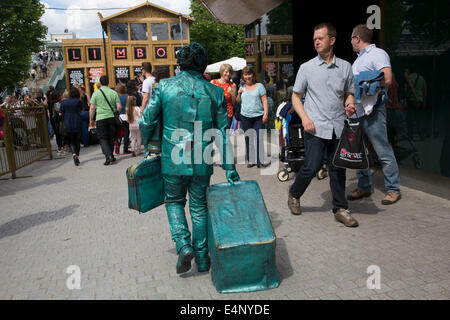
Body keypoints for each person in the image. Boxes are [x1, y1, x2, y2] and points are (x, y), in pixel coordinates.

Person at [139, 42, 240, 274]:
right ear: (203, 64)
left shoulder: (164, 87)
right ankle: (203, 258)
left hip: (172, 158)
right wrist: (229, 166)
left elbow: (146, 121)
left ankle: (184, 245)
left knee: (174, 202)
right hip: (201, 158)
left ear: (180, 63)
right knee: (199, 206)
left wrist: (151, 145)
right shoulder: (215, 92)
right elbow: (222, 132)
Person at [287, 23, 358, 227]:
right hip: (315, 127)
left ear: (332, 40)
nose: (316, 41)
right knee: (311, 166)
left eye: (320, 38)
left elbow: (348, 93)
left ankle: (340, 208)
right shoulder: (307, 68)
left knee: (338, 169)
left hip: (338, 125)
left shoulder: (345, 67)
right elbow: (295, 97)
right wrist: (305, 119)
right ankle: (294, 193)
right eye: (315, 39)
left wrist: (350, 104)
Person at [348, 24, 401, 205]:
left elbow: (387, 78)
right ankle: (364, 186)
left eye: (351, 39)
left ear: (357, 38)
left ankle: (393, 189)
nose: (351, 43)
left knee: (382, 150)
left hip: (373, 111)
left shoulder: (378, 54)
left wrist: (365, 85)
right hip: (358, 112)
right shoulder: (359, 60)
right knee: (359, 152)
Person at [236, 66, 269, 168]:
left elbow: (264, 100)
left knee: (259, 138)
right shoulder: (242, 87)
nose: (248, 76)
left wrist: (266, 113)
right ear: (243, 76)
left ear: (253, 75)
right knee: (248, 138)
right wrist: (238, 94)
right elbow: (238, 101)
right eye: (246, 74)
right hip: (245, 117)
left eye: (249, 74)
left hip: (258, 116)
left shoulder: (259, 86)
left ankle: (260, 161)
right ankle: (251, 160)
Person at [89, 75, 122, 165]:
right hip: (111, 117)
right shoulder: (113, 92)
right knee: (111, 137)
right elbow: (119, 106)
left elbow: (92, 108)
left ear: (100, 82)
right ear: (108, 82)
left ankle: (108, 156)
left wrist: (91, 120)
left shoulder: (96, 93)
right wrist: (116, 112)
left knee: (103, 138)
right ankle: (110, 155)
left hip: (100, 118)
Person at [211, 64, 237, 128]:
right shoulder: (213, 82)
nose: (228, 74)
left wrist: (232, 93)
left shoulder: (232, 85)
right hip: (215, 113)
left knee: (225, 135)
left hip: (227, 114)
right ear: (221, 72)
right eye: (226, 72)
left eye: (230, 72)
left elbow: (234, 102)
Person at [61, 87, 82, 166]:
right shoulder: (78, 101)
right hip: (77, 120)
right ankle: (77, 156)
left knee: (72, 141)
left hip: (68, 121)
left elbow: (61, 112)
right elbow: (80, 109)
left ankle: (73, 154)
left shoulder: (64, 102)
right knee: (77, 140)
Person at [404, 68, 427, 141]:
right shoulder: (422, 79)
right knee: (419, 119)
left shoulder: (409, 78)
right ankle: (421, 135)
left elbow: (406, 89)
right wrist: (424, 102)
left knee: (409, 118)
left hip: (411, 100)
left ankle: (410, 135)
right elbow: (424, 92)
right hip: (420, 100)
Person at [115, 83, 130, 155]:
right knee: (126, 133)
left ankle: (117, 143)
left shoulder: (116, 97)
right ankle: (125, 150)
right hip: (126, 116)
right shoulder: (127, 97)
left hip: (119, 116)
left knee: (120, 132)